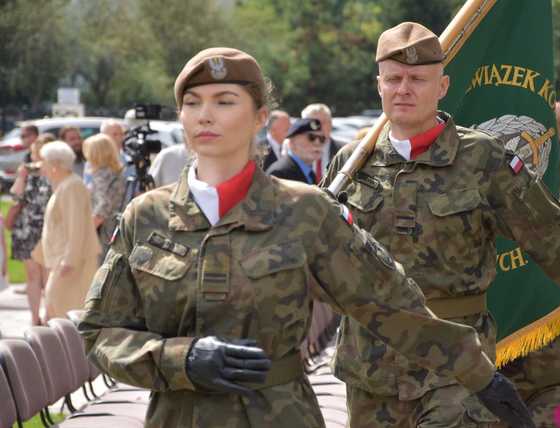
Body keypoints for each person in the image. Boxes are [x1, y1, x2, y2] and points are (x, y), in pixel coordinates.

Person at [78, 47, 534, 428]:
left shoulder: (304, 211)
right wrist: (180, 358)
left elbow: (388, 304)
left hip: (280, 414)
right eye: (193, 102)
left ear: (260, 117)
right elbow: (99, 334)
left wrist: (479, 375)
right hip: (176, 416)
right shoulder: (147, 217)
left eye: (224, 100)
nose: (205, 115)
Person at [323, 22, 560, 427]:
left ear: (442, 86)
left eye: (418, 79)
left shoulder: (482, 158)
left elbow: (555, 238)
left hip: (457, 365)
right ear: (379, 85)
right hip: (369, 365)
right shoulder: (351, 165)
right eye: (394, 79)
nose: (404, 89)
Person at [33, 141, 100, 321]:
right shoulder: (65, 185)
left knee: (63, 314)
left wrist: (69, 261)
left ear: (55, 165)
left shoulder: (72, 186)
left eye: (44, 161)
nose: (41, 166)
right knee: (54, 310)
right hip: (62, 260)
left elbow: (76, 226)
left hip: (72, 263)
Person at [9, 133, 54, 325]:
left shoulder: (56, 172)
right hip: (28, 229)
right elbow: (16, 197)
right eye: (36, 153)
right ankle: (35, 317)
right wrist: (21, 176)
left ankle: (49, 316)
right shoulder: (27, 172)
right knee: (33, 275)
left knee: (48, 276)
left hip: (50, 228)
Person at [82, 133, 126, 254]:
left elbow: (103, 207)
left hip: (104, 231)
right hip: (111, 227)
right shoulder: (114, 172)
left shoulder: (103, 175)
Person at [266, 118, 325, 184]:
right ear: (292, 143)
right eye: (311, 137)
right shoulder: (279, 173)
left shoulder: (310, 173)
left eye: (322, 139)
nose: (317, 143)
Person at [301, 103, 347, 182]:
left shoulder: (344, 150)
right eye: (314, 123)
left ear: (330, 124)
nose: (320, 127)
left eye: (324, 122)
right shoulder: (295, 150)